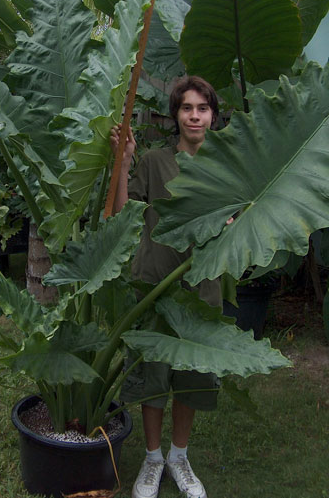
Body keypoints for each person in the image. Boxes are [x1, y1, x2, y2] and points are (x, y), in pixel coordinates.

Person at [110, 76, 222, 498]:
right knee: (152, 378)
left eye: (203, 108)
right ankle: (153, 458)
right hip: (155, 286)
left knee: (190, 378)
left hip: (201, 290)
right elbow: (124, 213)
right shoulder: (155, 162)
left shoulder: (223, 164)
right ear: (176, 114)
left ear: (212, 115)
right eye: (187, 108)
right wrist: (124, 165)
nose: (195, 115)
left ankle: (179, 456)